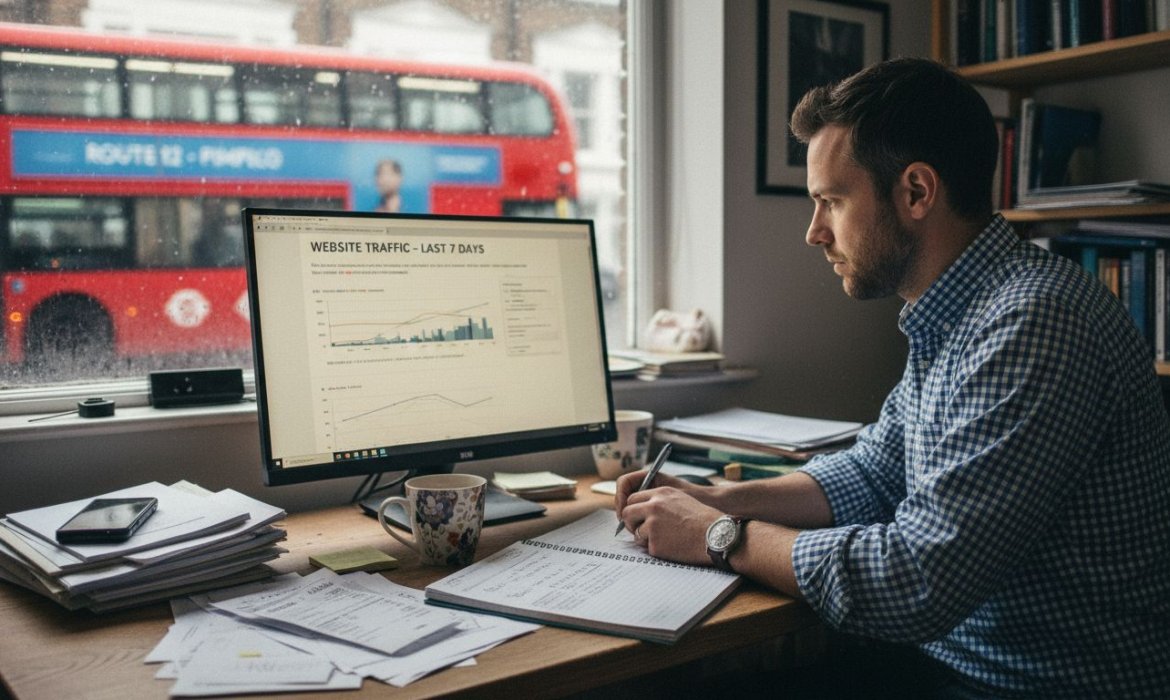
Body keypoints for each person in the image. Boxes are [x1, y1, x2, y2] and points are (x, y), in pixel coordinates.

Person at [615, 57, 1170, 699]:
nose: (814, 232)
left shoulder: (1033, 322)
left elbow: (915, 581)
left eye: (831, 201)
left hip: (1033, 685)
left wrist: (718, 537)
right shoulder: (958, 310)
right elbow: (877, 471)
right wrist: (718, 499)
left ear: (916, 193)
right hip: (955, 666)